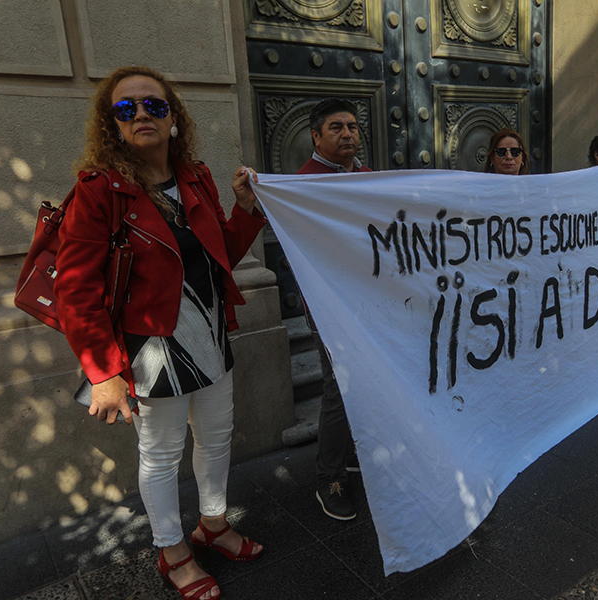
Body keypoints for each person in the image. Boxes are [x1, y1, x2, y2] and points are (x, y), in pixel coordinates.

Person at [54, 66, 266, 600]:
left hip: (210, 334)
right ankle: (172, 551)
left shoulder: (194, 176)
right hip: (151, 348)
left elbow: (220, 258)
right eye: (127, 109)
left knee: (217, 439)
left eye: (154, 105)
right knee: (162, 453)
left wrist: (245, 213)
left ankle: (212, 525)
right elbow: (75, 291)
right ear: (113, 124)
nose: (142, 114)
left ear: (173, 117)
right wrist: (103, 374)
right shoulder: (99, 191)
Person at [297, 98, 372, 521]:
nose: (347, 134)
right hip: (328, 304)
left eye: (353, 127)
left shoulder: (365, 176)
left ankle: (350, 454)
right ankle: (330, 478)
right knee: (338, 390)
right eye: (336, 128)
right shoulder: (302, 184)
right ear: (316, 136)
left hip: (366, 299)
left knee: (361, 384)